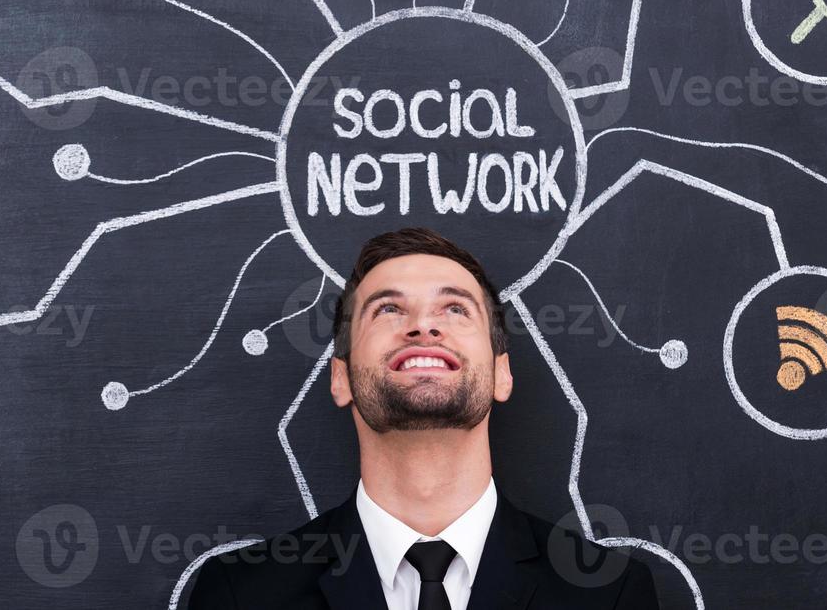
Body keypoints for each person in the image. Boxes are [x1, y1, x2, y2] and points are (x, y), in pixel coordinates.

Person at [189, 226, 660, 609]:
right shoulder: (241, 595)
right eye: (388, 309)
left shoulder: (608, 595)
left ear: (502, 374)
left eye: (455, 308)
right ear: (340, 379)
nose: (422, 326)